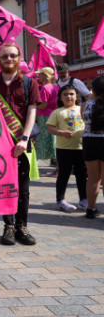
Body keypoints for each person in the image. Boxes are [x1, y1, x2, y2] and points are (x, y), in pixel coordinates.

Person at [0, 43, 40, 246]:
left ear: (19, 58)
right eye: (5, 57)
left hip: (21, 142)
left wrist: (24, 138)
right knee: (3, 187)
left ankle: (22, 226)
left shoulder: (30, 83)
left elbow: (32, 111)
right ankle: (8, 226)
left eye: (13, 56)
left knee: (23, 188)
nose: (9, 59)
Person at [46, 85, 87, 212]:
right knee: (63, 174)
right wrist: (61, 133)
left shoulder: (83, 109)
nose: (69, 96)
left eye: (71, 94)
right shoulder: (57, 112)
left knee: (82, 175)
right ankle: (61, 200)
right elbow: (50, 128)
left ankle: (84, 199)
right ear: (60, 97)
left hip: (81, 147)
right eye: (65, 94)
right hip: (64, 148)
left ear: (76, 96)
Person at [82, 76, 104, 218]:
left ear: (93, 88)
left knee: (93, 179)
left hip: (89, 141)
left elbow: (83, 119)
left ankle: (90, 209)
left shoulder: (86, 104)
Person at [35, 67, 59, 167]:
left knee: (45, 139)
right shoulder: (56, 86)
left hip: (44, 116)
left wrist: (34, 105)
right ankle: (57, 164)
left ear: (44, 76)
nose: (38, 76)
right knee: (54, 139)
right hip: (54, 114)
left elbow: (43, 105)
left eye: (39, 74)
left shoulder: (45, 88)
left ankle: (51, 160)